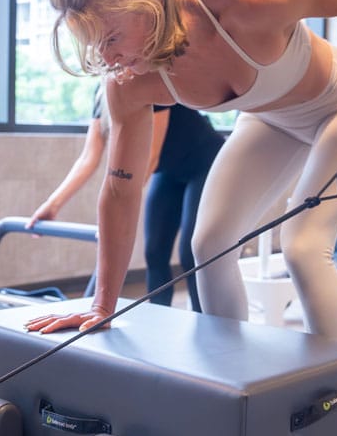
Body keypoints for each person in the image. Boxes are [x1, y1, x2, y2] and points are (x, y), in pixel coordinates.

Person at [25, 0, 337, 341]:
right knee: (208, 246)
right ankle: (232, 378)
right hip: (272, 120)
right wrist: (102, 306)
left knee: (302, 247)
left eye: (112, 38)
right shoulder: (130, 83)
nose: (107, 58)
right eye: (93, 44)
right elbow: (120, 190)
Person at [28, 86, 224, 310]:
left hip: (205, 163)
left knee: (191, 253)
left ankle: (205, 321)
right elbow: (88, 158)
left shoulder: (147, 80)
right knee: (154, 251)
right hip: (169, 172)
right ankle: (159, 320)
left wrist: (117, 216)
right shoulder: (102, 93)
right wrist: (52, 205)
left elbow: (150, 155)